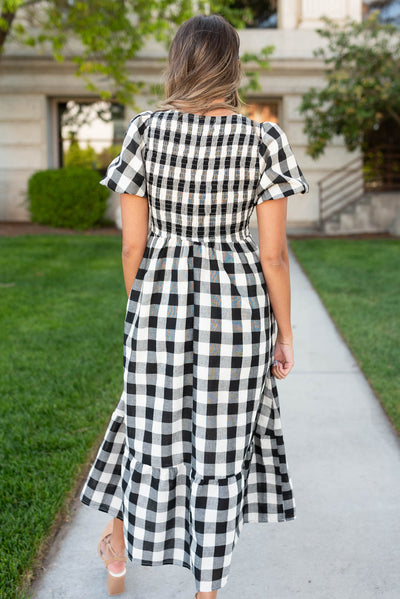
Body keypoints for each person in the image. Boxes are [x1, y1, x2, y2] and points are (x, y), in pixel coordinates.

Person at [80, 13, 309, 599]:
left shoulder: (145, 130)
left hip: (158, 304)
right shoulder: (263, 137)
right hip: (236, 318)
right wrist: (285, 335)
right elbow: (274, 257)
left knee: (147, 426)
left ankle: (118, 542)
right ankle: (207, 588)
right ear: (231, 64)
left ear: (178, 60)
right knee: (220, 444)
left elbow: (133, 245)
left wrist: (145, 310)